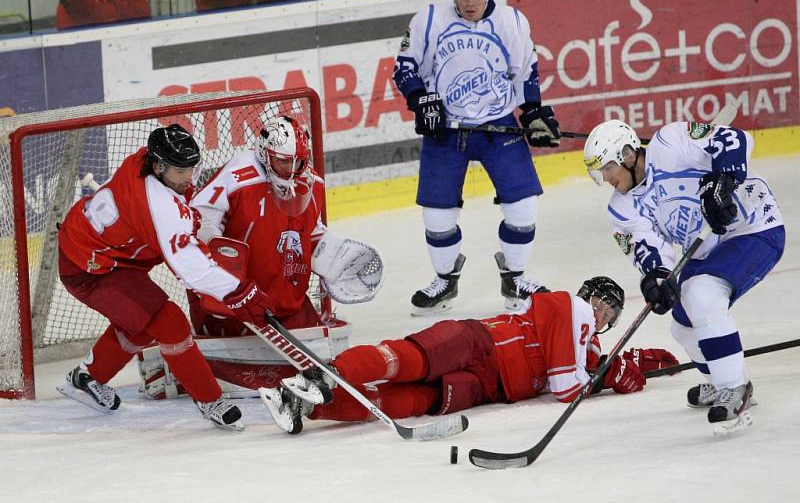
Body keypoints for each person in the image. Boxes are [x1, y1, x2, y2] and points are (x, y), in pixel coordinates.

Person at [57, 124, 274, 431]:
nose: (188, 179)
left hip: (102, 250)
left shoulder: (147, 161)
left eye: (191, 169)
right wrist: (239, 292)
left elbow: (179, 229)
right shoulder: (158, 205)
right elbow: (188, 265)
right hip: (90, 267)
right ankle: (210, 400)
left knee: (142, 322)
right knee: (169, 322)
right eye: (180, 172)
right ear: (158, 166)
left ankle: (87, 378)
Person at [262, 277, 679, 434]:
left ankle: (306, 408)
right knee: (407, 358)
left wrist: (631, 364)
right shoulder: (570, 305)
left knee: (416, 401)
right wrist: (608, 376)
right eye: (602, 302)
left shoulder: (587, 351)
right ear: (588, 296)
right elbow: (566, 389)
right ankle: (325, 376)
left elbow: (591, 368)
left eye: (611, 311)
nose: (603, 312)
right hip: (478, 341)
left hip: (487, 387)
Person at [583, 119, 785, 433]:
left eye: (607, 168)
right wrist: (656, 279)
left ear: (627, 154)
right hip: (708, 249)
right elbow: (649, 250)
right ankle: (720, 382)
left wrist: (722, 180)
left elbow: (736, 138)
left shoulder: (670, 143)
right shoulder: (622, 208)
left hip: (754, 227)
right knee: (682, 324)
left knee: (701, 295)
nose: (605, 178)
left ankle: (735, 388)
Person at [393, 0, 562, 316]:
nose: (469, 1)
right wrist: (421, 101)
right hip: (447, 129)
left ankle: (514, 278)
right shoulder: (429, 20)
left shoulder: (512, 22)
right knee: (437, 217)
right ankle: (444, 281)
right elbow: (404, 67)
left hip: (497, 124)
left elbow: (526, 72)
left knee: (523, 206)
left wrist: (532, 111)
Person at [189, 115, 383, 338]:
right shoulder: (239, 175)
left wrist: (332, 257)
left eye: (298, 162)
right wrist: (221, 275)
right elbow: (199, 218)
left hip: (288, 301)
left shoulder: (312, 183)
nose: (292, 170)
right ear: (265, 153)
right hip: (239, 302)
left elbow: (310, 231)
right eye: (283, 161)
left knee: (319, 357)